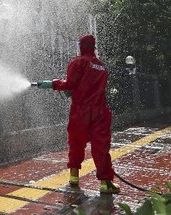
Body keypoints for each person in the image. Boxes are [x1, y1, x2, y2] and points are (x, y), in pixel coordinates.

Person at [37, 34, 120, 194]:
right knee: (101, 146)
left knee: (76, 143)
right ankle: (105, 183)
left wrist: (53, 84)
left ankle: (74, 177)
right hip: (99, 111)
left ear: (81, 46)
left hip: (80, 111)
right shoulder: (101, 66)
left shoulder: (78, 62)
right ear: (93, 47)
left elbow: (70, 84)